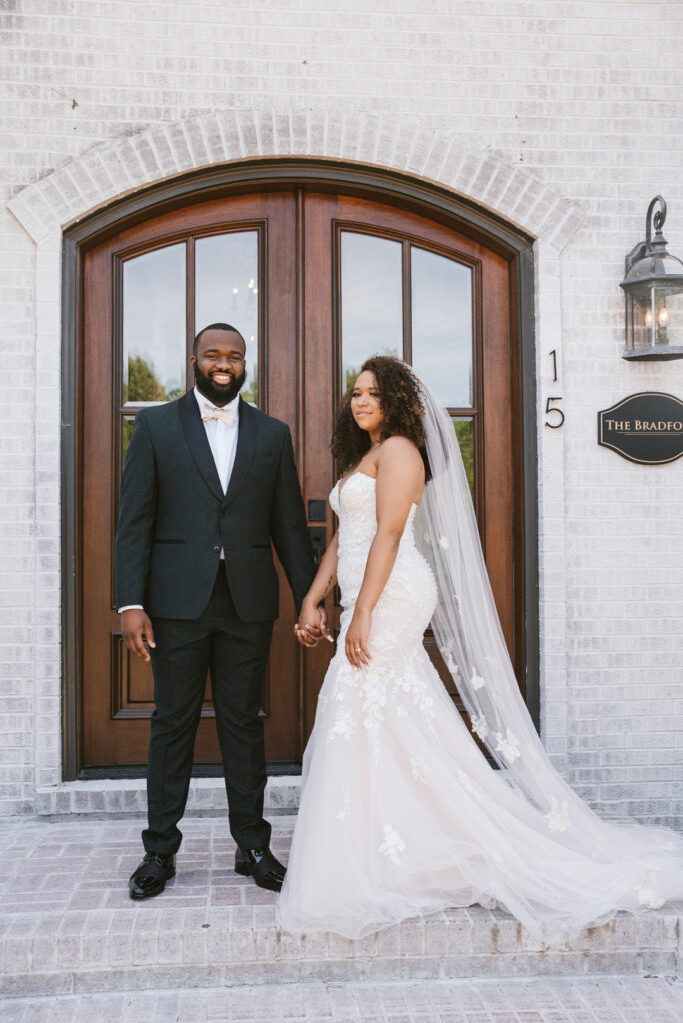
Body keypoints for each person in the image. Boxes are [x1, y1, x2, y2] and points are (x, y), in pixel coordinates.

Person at [278, 355, 683, 944]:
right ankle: (395, 844)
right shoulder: (365, 456)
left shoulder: (400, 453)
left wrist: (361, 610)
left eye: (372, 393)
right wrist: (314, 599)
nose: (359, 401)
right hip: (366, 592)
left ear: (395, 400)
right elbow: (346, 539)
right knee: (379, 712)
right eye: (355, 393)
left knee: (361, 698)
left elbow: (390, 533)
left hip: (392, 594)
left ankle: (405, 848)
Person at [116, 323, 321, 900]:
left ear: (245, 362)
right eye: (213, 355)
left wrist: (309, 600)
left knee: (242, 725)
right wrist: (131, 602)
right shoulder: (155, 426)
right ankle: (159, 850)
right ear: (194, 360)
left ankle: (252, 845)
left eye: (234, 355)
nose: (224, 363)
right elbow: (134, 521)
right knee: (172, 723)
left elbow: (287, 525)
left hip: (248, 604)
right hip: (175, 606)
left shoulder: (272, 434)